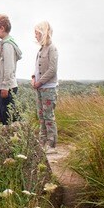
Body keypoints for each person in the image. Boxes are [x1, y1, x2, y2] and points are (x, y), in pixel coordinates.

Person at [31, 21, 59, 154]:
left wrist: (40, 82)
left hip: (48, 87)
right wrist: (33, 78)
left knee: (48, 115)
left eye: (37, 33)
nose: (35, 36)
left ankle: (51, 143)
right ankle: (42, 140)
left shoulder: (52, 48)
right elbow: (38, 68)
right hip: (40, 87)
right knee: (41, 115)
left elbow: (52, 69)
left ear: (43, 33)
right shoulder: (41, 49)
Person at [0, 14, 22, 125]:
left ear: (2, 28)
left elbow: (9, 68)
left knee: (7, 118)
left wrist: (5, 86)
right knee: (3, 115)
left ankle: (10, 139)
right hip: (4, 87)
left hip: (6, 88)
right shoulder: (4, 43)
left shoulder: (7, 45)